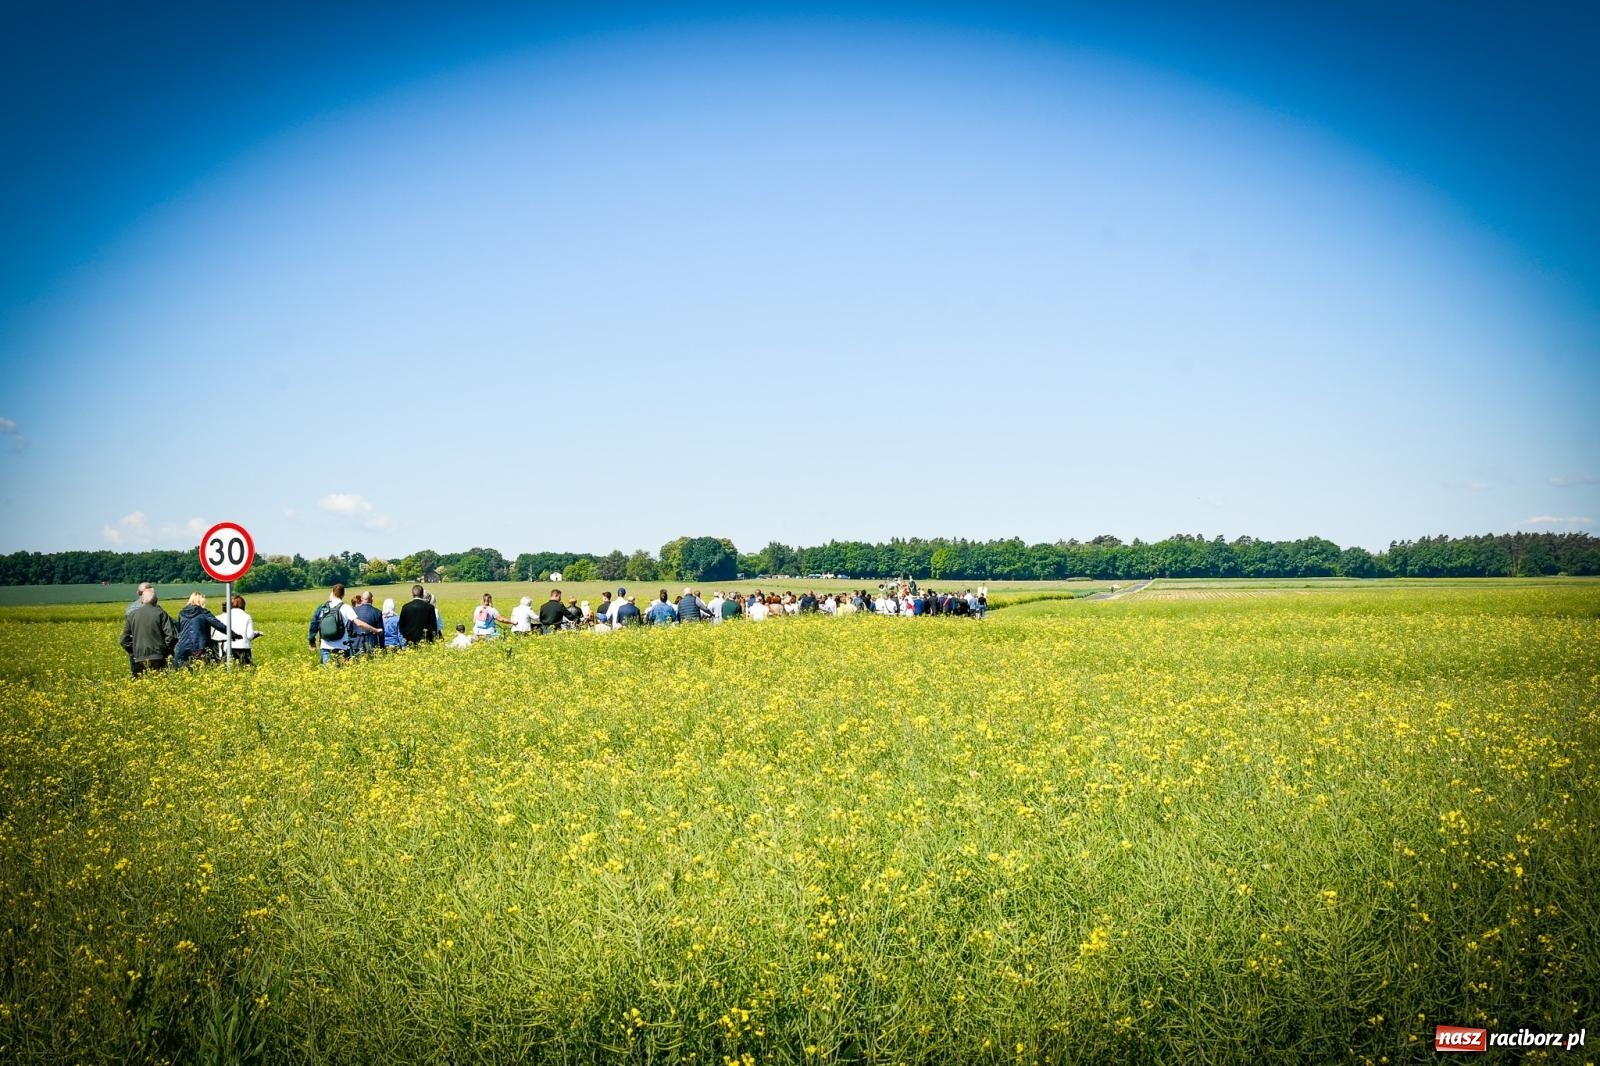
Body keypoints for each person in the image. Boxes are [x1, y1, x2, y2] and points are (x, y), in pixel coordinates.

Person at [309, 583, 377, 663]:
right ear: (343, 594)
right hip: (341, 645)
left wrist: (312, 642)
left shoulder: (323, 607)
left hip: (325, 646)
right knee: (344, 671)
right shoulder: (345, 607)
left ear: (332, 593)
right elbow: (359, 623)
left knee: (327, 672)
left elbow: (314, 624)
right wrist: (375, 629)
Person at [174, 592, 243, 667]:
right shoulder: (203, 613)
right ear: (201, 601)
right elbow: (219, 625)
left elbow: (179, 629)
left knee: (182, 670)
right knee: (202, 670)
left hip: (182, 647)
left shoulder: (182, 613)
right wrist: (233, 634)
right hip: (199, 648)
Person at [120, 586, 176, 675]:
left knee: (141, 684)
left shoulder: (132, 615)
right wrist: (165, 650)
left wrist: (135, 651)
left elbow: (123, 640)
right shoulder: (161, 613)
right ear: (156, 600)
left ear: (142, 600)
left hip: (139, 658)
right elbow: (172, 636)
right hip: (159, 657)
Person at [209, 594, 262, 665]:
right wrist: (256, 634)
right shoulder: (247, 616)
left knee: (229, 668)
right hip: (244, 647)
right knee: (245, 668)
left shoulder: (226, 616)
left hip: (229, 646)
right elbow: (249, 635)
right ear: (243, 605)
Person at [124, 581, 155, 675]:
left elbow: (126, 634)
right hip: (153, 649)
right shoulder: (155, 608)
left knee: (137, 676)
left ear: (138, 593)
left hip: (136, 648)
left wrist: (132, 649)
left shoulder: (130, 609)